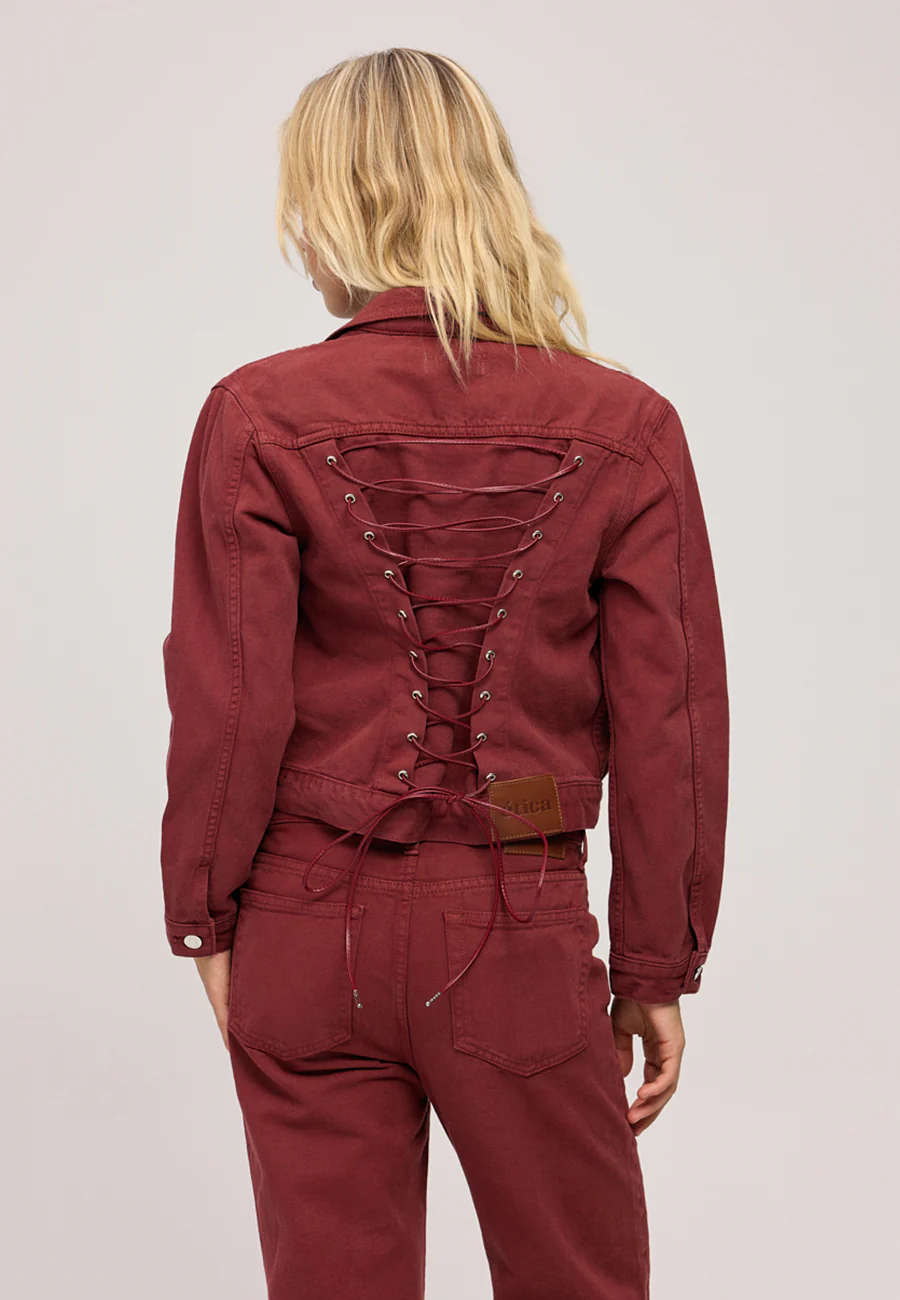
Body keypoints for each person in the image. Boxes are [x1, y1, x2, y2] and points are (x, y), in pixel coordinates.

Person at [160, 47, 729, 1300]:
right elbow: (672, 724)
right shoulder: (626, 428)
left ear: (336, 200)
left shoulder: (258, 415)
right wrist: (654, 965)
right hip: (519, 917)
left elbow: (229, 700)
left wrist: (206, 914)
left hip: (304, 925)